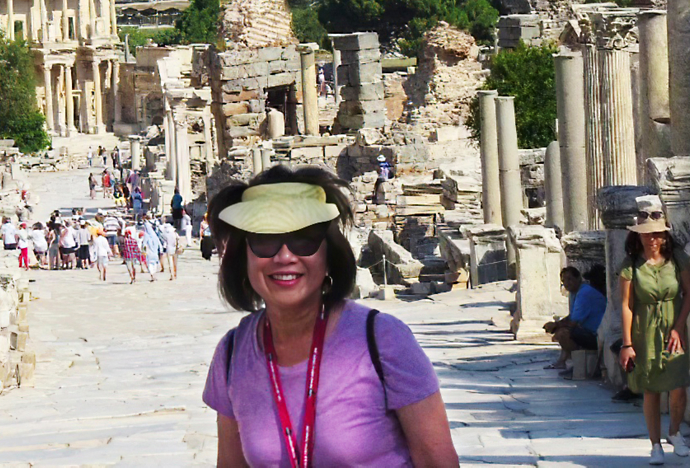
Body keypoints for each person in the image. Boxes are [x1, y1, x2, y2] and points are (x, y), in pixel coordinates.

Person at [203, 165, 460, 467]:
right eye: (264, 239)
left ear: (329, 254)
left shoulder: (383, 341)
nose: (285, 256)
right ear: (243, 257)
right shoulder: (233, 354)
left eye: (303, 238)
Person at [619, 195, 690, 465]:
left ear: (664, 235)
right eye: (646, 234)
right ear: (638, 237)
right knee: (651, 389)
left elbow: (689, 293)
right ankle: (655, 445)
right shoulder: (630, 267)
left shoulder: (678, 259)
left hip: (674, 328)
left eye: (656, 234)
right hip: (644, 330)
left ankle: (675, 433)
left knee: (678, 386)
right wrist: (626, 344)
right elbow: (627, 305)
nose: (651, 239)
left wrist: (678, 327)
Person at [544, 266, 607, 372]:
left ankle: (577, 363)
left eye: (570, 279)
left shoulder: (584, 293)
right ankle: (562, 361)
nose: (567, 283)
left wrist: (556, 326)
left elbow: (573, 322)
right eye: (564, 281)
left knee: (563, 334)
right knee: (562, 331)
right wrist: (557, 324)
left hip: (597, 334)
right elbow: (572, 316)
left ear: (578, 279)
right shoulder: (575, 293)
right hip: (589, 331)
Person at [139, 217, 162, 283]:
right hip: (155, 253)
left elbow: (144, 244)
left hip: (149, 253)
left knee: (150, 265)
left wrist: (143, 250)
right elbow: (159, 244)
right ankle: (154, 275)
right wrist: (161, 250)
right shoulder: (155, 235)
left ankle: (152, 276)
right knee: (154, 264)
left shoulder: (146, 236)